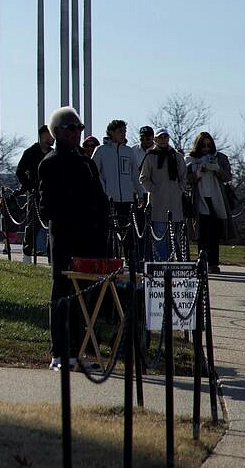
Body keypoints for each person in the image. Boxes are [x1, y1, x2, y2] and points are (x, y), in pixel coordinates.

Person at [38, 107, 111, 369]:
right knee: (62, 293)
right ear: (57, 131)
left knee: (85, 296)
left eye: (79, 129)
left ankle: (78, 350)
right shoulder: (50, 163)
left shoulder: (86, 162)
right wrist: (74, 215)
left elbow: (100, 200)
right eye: (71, 129)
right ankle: (60, 352)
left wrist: (102, 232)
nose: (76, 134)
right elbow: (46, 207)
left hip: (89, 240)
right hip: (65, 240)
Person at [92, 119, 143, 257]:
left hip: (127, 199)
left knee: (129, 232)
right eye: (120, 131)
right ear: (111, 132)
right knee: (108, 232)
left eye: (124, 131)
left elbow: (134, 175)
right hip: (108, 199)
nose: (123, 134)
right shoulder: (101, 151)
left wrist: (140, 193)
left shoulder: (129, 151)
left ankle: (131, 260)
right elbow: (95, 174)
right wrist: (104, 191)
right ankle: (108, 258)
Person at [185, 131, 232, 273]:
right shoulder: (189, 159)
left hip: (216, 198)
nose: (206, 148)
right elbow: (186, 179)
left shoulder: (220, 158)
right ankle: (202, 261)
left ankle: (213, 263)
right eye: (203, 145)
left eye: (208, 145)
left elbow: (227, 176)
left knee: (214, 232)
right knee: (201, 232)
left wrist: (217, 169)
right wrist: (200, 171)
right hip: (199, 198)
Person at [138, 128, 185, 261]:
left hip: (175, 203)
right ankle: (161, 263)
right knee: (159, 234)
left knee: (174, 236)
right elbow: (143, 178)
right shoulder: (150, 156)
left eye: (165, 137)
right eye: (160, 137)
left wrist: (179, 189)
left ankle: (173, 262)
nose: (163, 140)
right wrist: (153, 189)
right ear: (155, 139)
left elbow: (183, 176)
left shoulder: (177, 156)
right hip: (157, 203)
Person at [15, 126, 51, 256]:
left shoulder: (53, 153)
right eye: (50, 134)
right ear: (43, 135)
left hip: (50, 192)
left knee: (50, 222)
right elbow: (20, 171)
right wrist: (30, 186)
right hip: (35, 192)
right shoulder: (30, 152)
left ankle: (48, 249)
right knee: (33, 221)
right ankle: (29, 247)